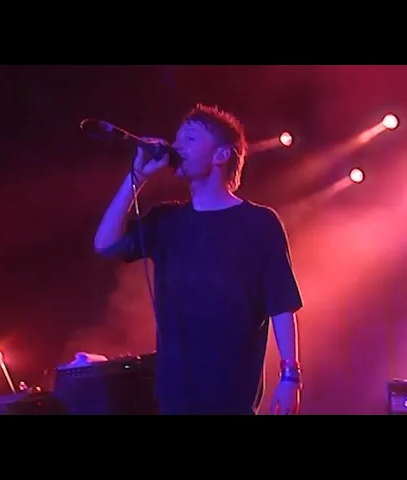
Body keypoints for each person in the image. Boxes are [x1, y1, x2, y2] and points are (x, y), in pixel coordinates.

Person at [93, 104, 304, 415]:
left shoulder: (259, 223)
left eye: (190, 139)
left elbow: (282, 304)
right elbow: (105, 244)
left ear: (221, 155)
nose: (176, 146)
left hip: (232, 398)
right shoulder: (167, 220)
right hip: (174, 398)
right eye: (177, 138)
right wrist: (136, 178)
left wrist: (290, 377)